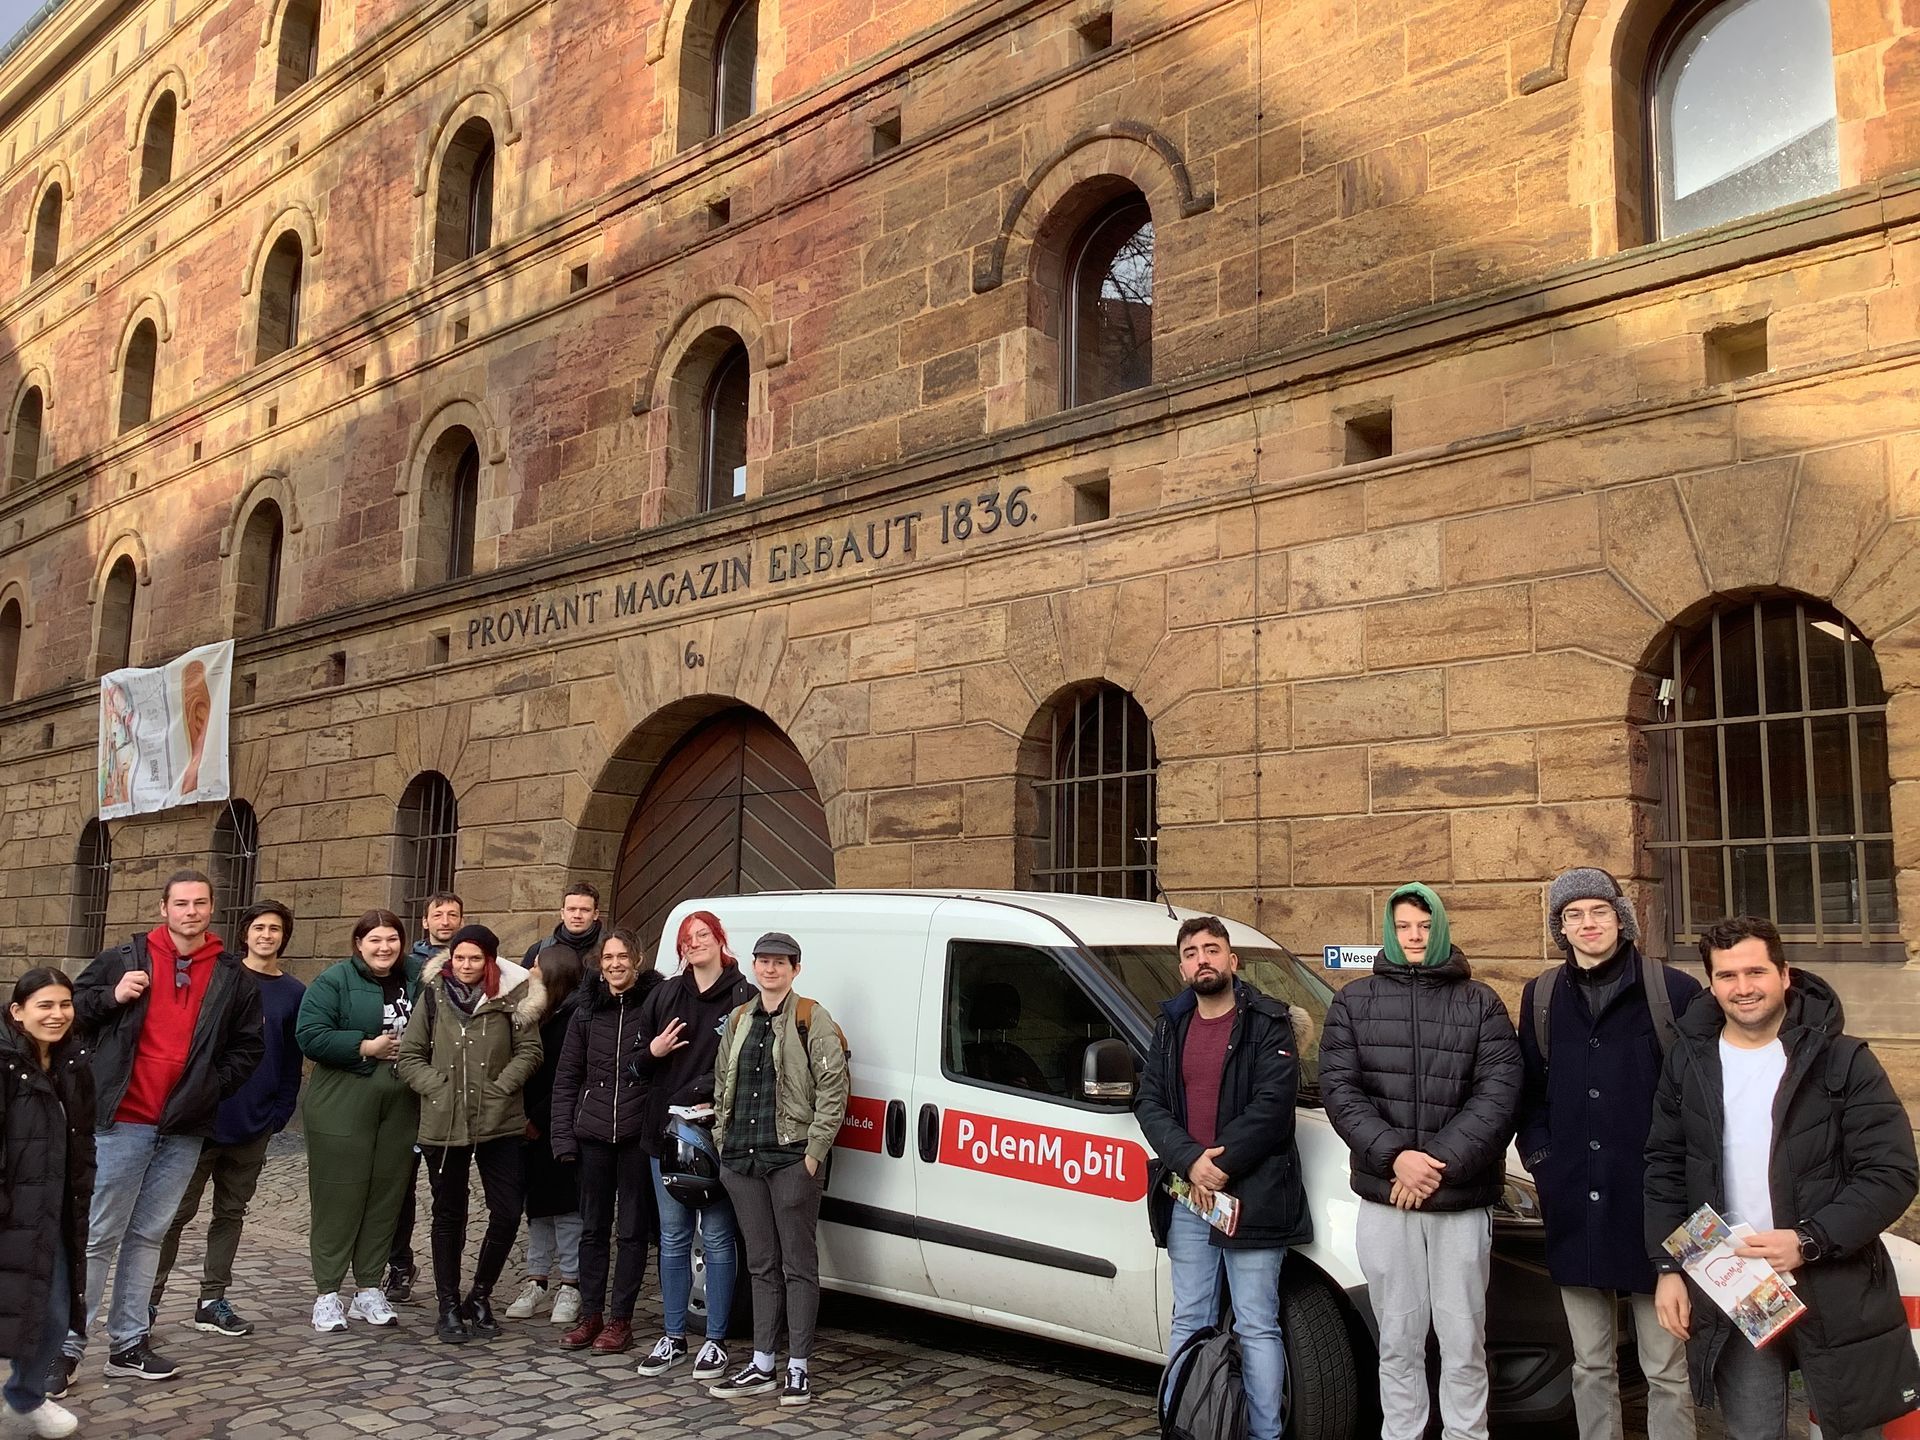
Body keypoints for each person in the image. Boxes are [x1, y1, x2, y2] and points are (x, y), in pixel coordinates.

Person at [1646, 915, 1920, 1440]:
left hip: (1836, 1280)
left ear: (1785, 974)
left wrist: (1809, 1240)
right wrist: (1666, 1267)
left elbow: (1891, 1172)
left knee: (1853, 1430)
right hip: (1738, 1286)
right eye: (1727, 976)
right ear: (1712, 983)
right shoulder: (1689, 1060)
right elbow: (1664, 1165)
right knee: (1753, 1431)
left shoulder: (1842, 1059)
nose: (1743, 988)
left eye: (1756, 972)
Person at [1319, 882, 1521, 1440]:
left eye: (1425, 926)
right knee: (1398, 1340)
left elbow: (1499, 1093)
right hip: (1388, 1202)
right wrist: (1394, 1159)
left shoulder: (1480, 1002)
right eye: (1405, 926)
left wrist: (1433, 1165)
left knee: (1463, 1341)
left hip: (1458, 1202)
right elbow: (1340, 1090)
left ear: (1441, 930)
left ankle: (1466, 1434)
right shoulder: (1353, 1001)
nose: (1414, 936)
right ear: (1390, 930)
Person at [63, 869, 265, 1390]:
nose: (191, 911)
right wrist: (112, 996)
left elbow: (249, 1047)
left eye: (200, 903)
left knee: (148, 1234)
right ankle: (63, 1346)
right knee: (97, 1236)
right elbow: (72, 1013)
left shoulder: (230, 974)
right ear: (163, 908)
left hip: (182, 1127)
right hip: (121, 1120)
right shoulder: (123, 958)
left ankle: (129, 1343)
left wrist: (210, 1087)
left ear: (211, 909)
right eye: (181, 903)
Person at [1517, 869, 1700, 1440]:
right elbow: (1530, 1090)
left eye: (1598, 911)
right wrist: (1542, 1157)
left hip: (1654, 1203)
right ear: (1560, 927)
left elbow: (1698, 1098)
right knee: (1590, 1362)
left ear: (1621, 917)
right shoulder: (1542, 995)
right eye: (1573, 915)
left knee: (1666, 1368)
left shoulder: (1672, 991)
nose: (1587, 924)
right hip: (1574, 1195)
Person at [1134, 915, 1310, 1440]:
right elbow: (1150, 1101)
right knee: (1189, 1320)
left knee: (1256, 1324)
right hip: (1189, 1194)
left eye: (1212, 949)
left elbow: (1273, 1107)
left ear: (1233, 961)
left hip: (1252, 1194)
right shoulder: (1171, 1025)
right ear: (1182, 966)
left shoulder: (1268, 1021)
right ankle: (1184, 1429)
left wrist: (1220, 1163)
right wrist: (1190, 1161)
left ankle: (1263, 1436)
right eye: (1191, 952)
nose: (1202, 959)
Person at [706, 932, 850, 1407]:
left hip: (791, 1159)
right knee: (761, 1265)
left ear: (795, 969)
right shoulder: (739, 1020)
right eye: (764, 962)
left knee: (798, 1266)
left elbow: (833, 1088)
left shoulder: (812, 1017)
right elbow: (722, 1081)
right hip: (743, 1159)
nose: (771, 969)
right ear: (753, 967)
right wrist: (723, 1145)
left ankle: (799, 1367)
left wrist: (814, 1152)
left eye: (780, 963)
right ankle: (763, 1362)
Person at [151, 900, 306, 1339]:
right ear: (245, 934)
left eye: (275, 929)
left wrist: (281, 1110)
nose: (267, 936)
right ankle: (145, 1304)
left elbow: (292, 1059)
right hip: (202, 1120)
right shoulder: (220, 977)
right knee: (174, 1215)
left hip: (255, 1120)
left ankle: (211, 1298)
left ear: (283, 937)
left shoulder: (293, 993)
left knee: (231, 1213)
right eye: (259, 928)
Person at [397, 923, 546, 1345]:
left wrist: (501, 1086)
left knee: (505, 1210)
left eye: (474, 958)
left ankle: (478, 1295)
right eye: (459, 957)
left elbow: (531, 1051)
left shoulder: (510, 998)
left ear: (489, 961)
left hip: (499, 1120)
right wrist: (439, 1088)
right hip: (445, 1123)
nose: (465, 965)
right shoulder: (434, 996)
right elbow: (410, 1056)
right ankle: (447, 1305)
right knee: (449, 1215)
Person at [630, 909, 756, 1382]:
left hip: (719, 1138)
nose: (695, 943)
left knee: (720, 1239)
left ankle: (717, 1341)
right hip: (665, 1138)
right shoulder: (665, 994)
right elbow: (635, 1069)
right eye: (688, 937)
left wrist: (699, 1094)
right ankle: (673, 1335)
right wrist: (654, 1053)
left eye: (704, 935)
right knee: (674, 1238)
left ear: (721, 940)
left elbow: (748, 1068)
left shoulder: (744, 997)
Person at [294, 909, 423, 1334]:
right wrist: (365, 1045)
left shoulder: (417, 977)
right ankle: (327, 1292)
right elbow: (310, 1034)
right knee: (339, 1196)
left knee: (387, 1194)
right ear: (359, 944)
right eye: (375, 940)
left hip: (401, 1100)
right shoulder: (335, 981)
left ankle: (368, 1287)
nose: (384, 947)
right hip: (344, 1097)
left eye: (392, 939)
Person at [551, 928, 663, 1354]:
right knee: (593, 1228)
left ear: (637, 960)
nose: (615, 964)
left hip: (636, 1135)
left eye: (622, 957)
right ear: (600, 963)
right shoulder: (585, 1010)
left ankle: (621, 1319)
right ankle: (590, 1314)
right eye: (608, 957)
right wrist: (563, 1136)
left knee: (633, 1231)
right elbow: (567, 1077)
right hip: (593, 1134)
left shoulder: (652, 1005)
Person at [2, 971, 95, 1439]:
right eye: (44, 1005)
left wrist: (80, 1196)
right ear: (18, 1011)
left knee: (54, 1314)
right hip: (8, 1211)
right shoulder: (4, 1064)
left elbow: (84, 1139)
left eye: (64, 1004)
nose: (56, 1015)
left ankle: (25, 1396)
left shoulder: (73, 1062)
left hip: (51, 1213)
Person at [388, 890, 465, 1302]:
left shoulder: (472, 963)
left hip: (449, 1091)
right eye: (439, 914)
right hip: (408, 1086)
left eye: (454, 914)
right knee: (400, 1185)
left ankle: (447, 1281)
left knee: (446, 1190)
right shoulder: (407, 965)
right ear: (425, 921)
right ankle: (400, 1263)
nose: (446, 921)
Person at [507, 944, 586, 1329]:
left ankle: (571, 1282)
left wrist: (537, 1117)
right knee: (537, 1207)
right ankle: (536, 1278)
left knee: (567, 1210)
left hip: (559, 1124)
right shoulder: (538, 1011)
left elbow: (568, 1076)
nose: (530, 969)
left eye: (536, 965)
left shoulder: (573, 1017)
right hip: (529, 1126)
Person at [522, 883, 603, 973]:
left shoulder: (609, 949)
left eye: (585, 910)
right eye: (571, 909)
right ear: (562, 913)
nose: (577, 915)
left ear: (595, 914)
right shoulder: (539, 950)